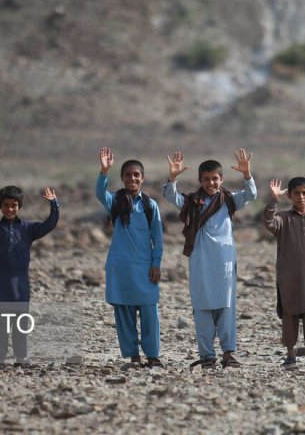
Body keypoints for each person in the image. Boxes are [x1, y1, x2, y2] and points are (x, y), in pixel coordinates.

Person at [163, 149, 257, 368]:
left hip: (224, 262)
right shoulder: (192, 201)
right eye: (206, 179)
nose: (211, 183)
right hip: (200, 262)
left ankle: (228, 353)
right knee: (202, 306)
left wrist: (247, 174)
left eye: (215, 179)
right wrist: (172, 178)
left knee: (227, 306)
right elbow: (170, 196)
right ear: (199, 180)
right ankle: (207, 355)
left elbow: (251, 195)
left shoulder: (229, 200)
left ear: (221, 179)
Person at [0, 180, 59, 369]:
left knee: (20, 324)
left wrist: (54, 204)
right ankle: (0, 360)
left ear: (19, 206)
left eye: (14, 205)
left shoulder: (28, 229)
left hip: (20, 285)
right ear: (0, 206)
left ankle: (21, 358)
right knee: (1, 325)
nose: (10, 209)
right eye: (6, 205)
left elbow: (49, 225)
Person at [96, 147, 164, 368]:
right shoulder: (116, 202)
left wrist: (156, 263)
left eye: (136, 175)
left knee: (149, 313)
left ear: (142, 179)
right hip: (120, 267)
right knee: (124, 312)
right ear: (123, 178)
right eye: (128, 175)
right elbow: (100, 193)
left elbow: (158, 237)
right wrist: (104, 172)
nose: (132, 178)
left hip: (144, 268)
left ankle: (153, 356)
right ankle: (133, 356)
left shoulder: (149, 205)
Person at [264, 177, 305, 367]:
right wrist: (273, 201)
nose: (301, 197)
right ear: (290, 196)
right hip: (288, 278)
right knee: (289, 315)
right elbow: (268, 223)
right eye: (296, 193)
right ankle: (290, 355)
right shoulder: (283, 219)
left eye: (304, 193)